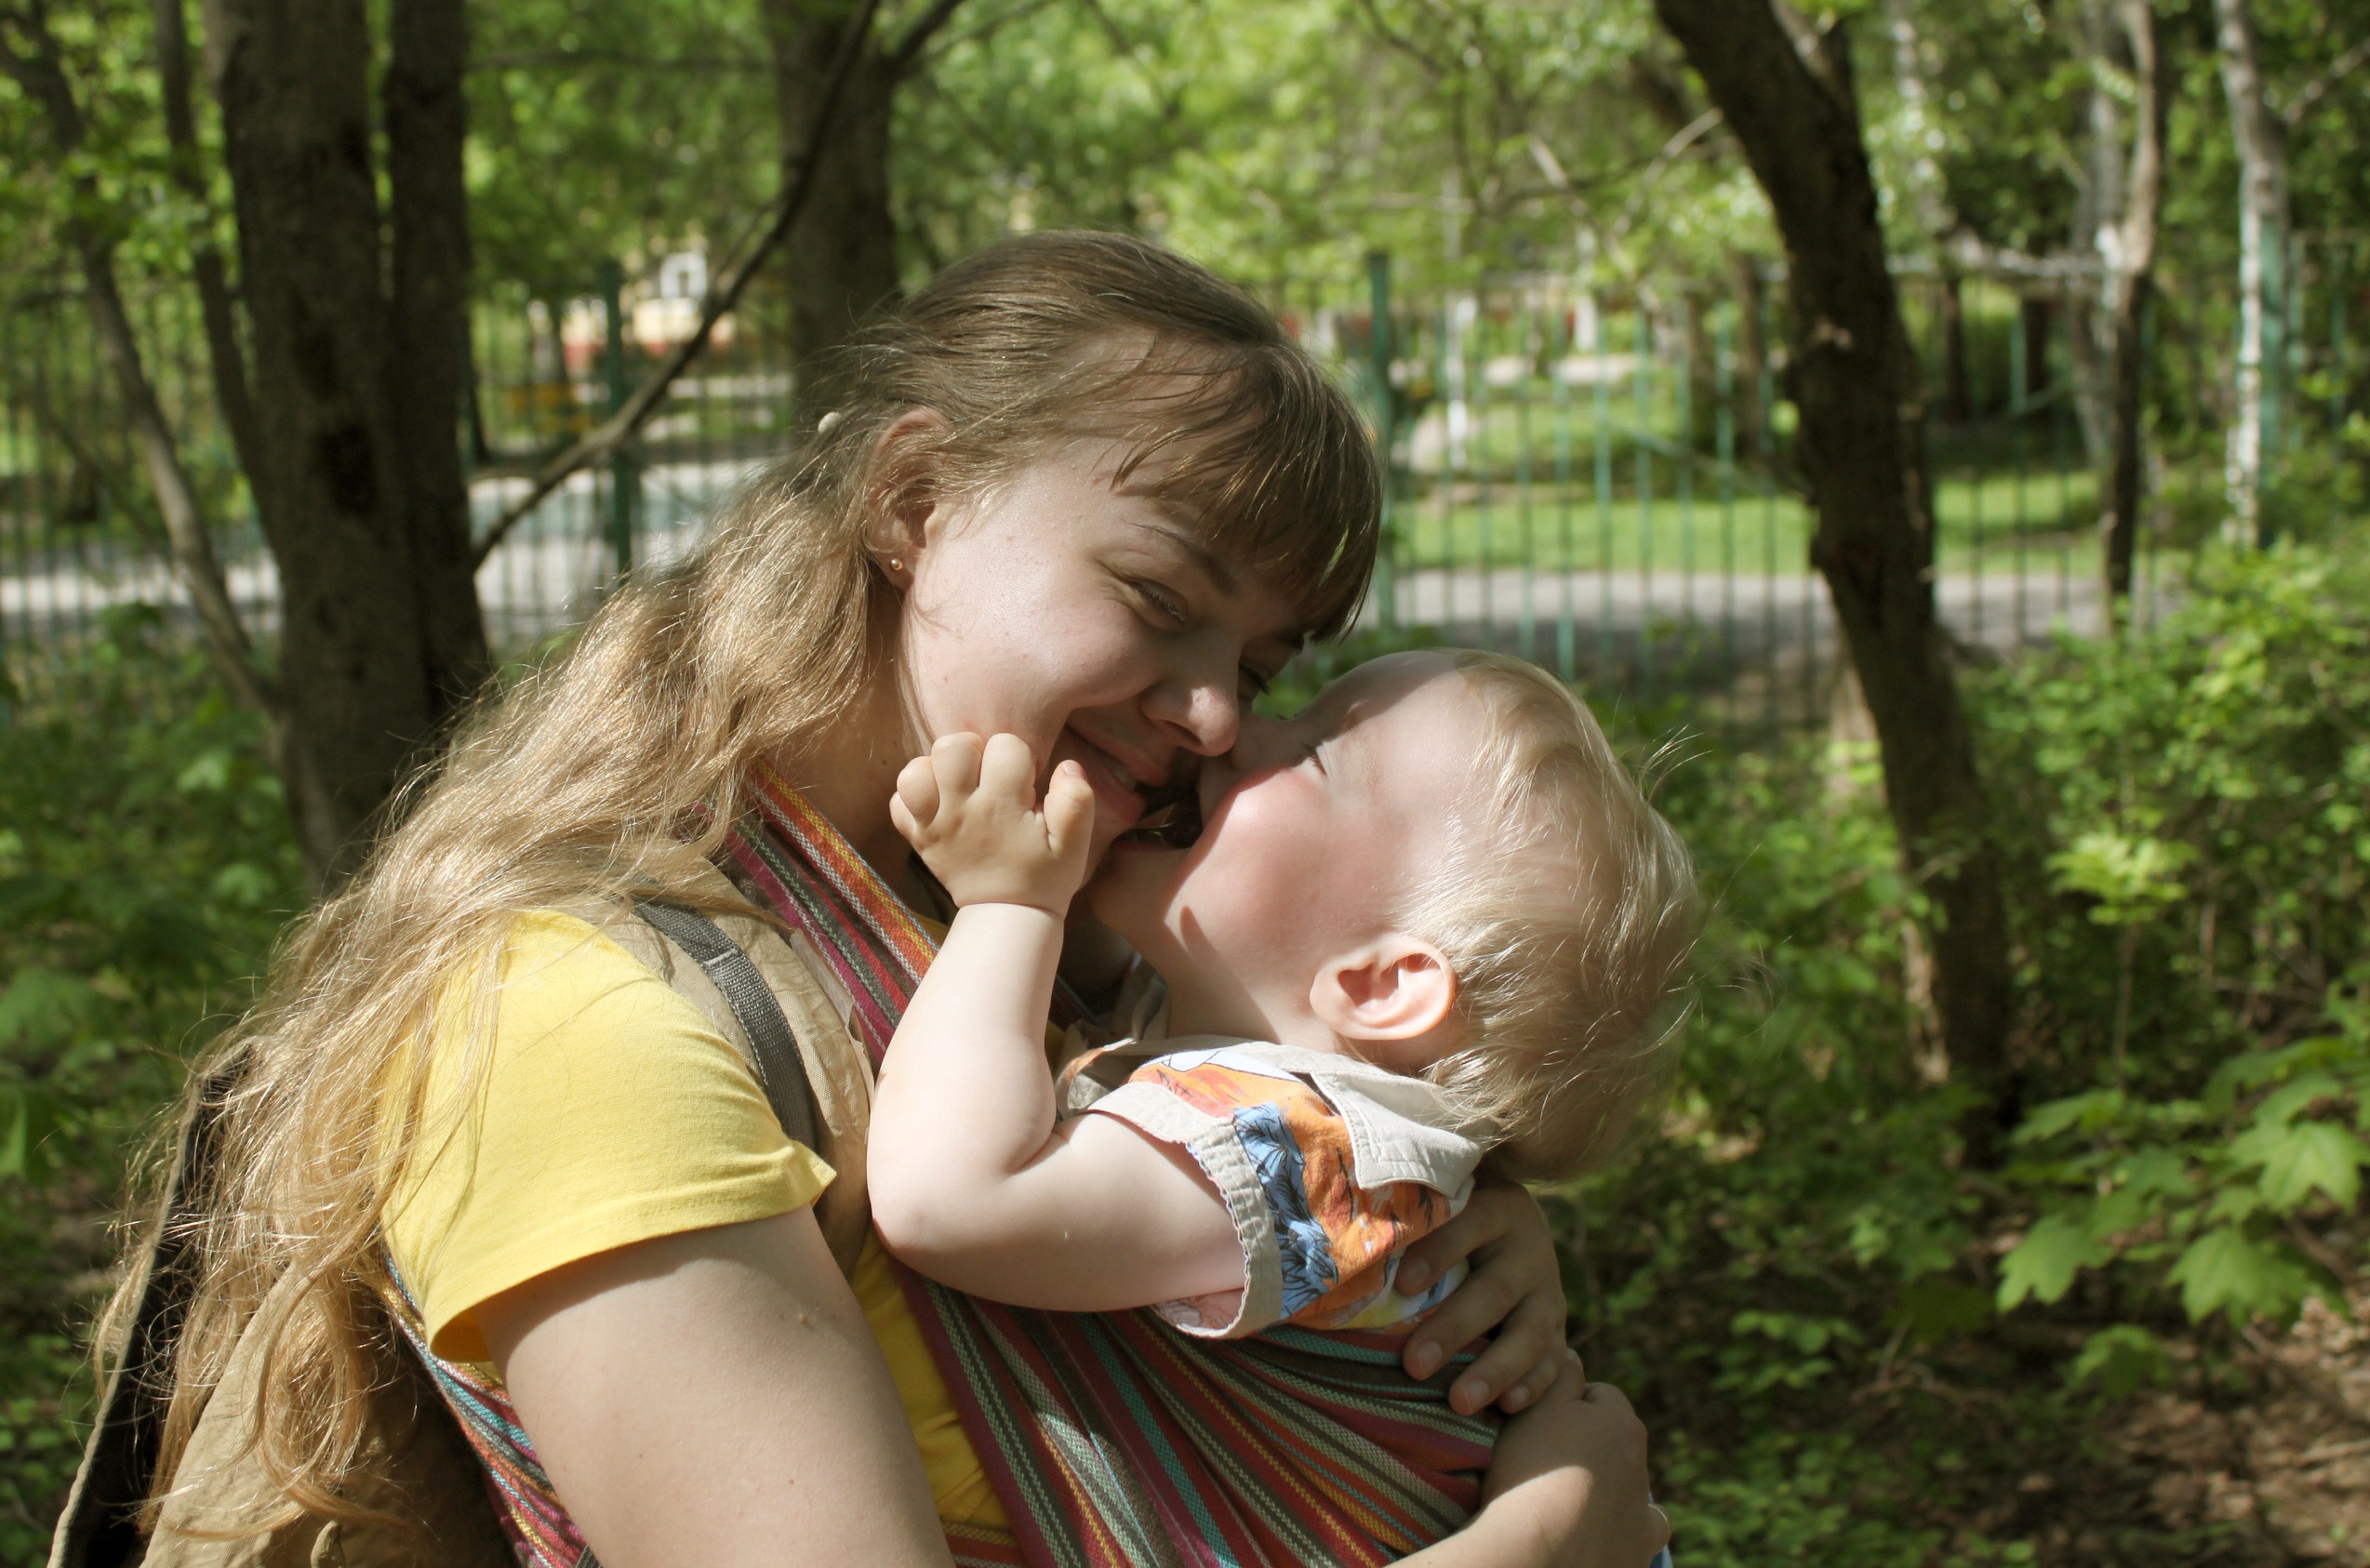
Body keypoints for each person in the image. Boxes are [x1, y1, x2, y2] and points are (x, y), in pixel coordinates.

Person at [100, 232, 1670, 1568]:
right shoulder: (581, 1030)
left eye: (1258, 669)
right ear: (916, 500)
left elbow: (1270, 1150)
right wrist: (1546, 1538)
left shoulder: (1060, 952)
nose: (1211, 717)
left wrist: (1454, 1222)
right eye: (1158, 598)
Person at [869, 649, 1700, 1351]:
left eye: (1313, 754)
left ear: (1379, 987)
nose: (1239, 730)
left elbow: (952, 1207)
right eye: (1295, 710)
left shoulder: (1300, 1157)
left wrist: (1008, 905)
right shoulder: (1218, 1032)